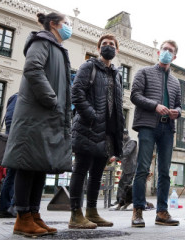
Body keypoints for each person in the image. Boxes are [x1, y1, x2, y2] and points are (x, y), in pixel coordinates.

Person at [2, 12, 73, 237]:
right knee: (28, 165)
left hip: (46, 117)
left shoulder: (56, 47)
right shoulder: (42, 41)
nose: (69, 28)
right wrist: (51, 99)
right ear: (53, 24)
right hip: (36, 116)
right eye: (66, 24)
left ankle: (33, 214)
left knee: (40, 166)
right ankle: (22, 218)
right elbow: (33, 69)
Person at [69, 33, 124, 229]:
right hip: (88, 128)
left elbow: (118, 105)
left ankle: (92, 211)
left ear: (116, 50)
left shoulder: (117, 75)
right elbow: (76, 93)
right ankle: (76, 214)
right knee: (81, 170)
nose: (108, 46)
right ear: (99, 48)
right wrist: (92, 116)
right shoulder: (88, 66)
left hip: (107, 132)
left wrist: (118, 131)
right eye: (104, 44)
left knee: (97, 173)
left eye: (112, 44)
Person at [130, 39, 182, 227]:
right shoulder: (144, 72)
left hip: (167, 128)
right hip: (147, 126)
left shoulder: (176, 82)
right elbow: (134, 95)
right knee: (142, 168)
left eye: (171, 50)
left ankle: (161, 212)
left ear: (174, 56)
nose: (167, 52)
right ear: (159, 52)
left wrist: (178, 112)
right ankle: (137, 211)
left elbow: (179, 105)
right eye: (164, 49)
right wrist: (155, 106)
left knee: (164, 172)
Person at [0, 93, 18, 218]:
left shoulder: (15, 97)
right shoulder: (18, 97)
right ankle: (6, 208)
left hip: (14, 140)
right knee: (12, 175)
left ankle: (7, 207)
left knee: (12, 175)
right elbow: (10, 120)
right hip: (16, 141)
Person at [112, 129, 137, 210]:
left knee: (126, 185)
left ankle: (124, 201)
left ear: (125, 134)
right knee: (121, 183)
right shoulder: (124, 142)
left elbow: (127, 152)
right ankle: (119, 200)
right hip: (126, 166)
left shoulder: (132, 142)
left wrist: (116, 157)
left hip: (131, 167)